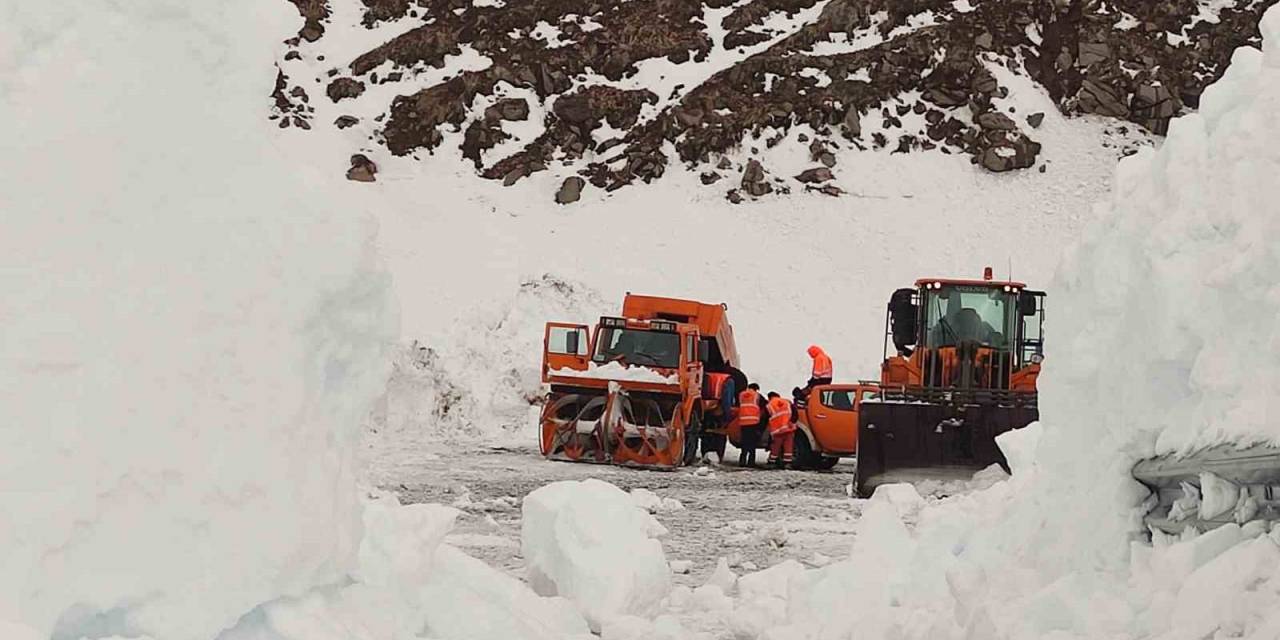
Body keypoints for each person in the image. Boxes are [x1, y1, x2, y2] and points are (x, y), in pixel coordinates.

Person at [736, 383, 764, 468]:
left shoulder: (741, 394)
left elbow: (737, 404)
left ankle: (742, 461)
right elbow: (764, 404)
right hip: (753, 421)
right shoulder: (757, 395)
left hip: (743, 421)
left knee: (744, 441)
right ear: (756, 389)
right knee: (752, 442)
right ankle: (751, 462)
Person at [766, 391, 795, 469]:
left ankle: (771, 462)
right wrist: (792, 422)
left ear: (769, 398)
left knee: (775, 447)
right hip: (789, 429)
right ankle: (787, 463)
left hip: (777, 430)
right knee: (788, 447)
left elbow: (766, 417)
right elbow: (795, 413)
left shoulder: (769, 405)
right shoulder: (787, 401)